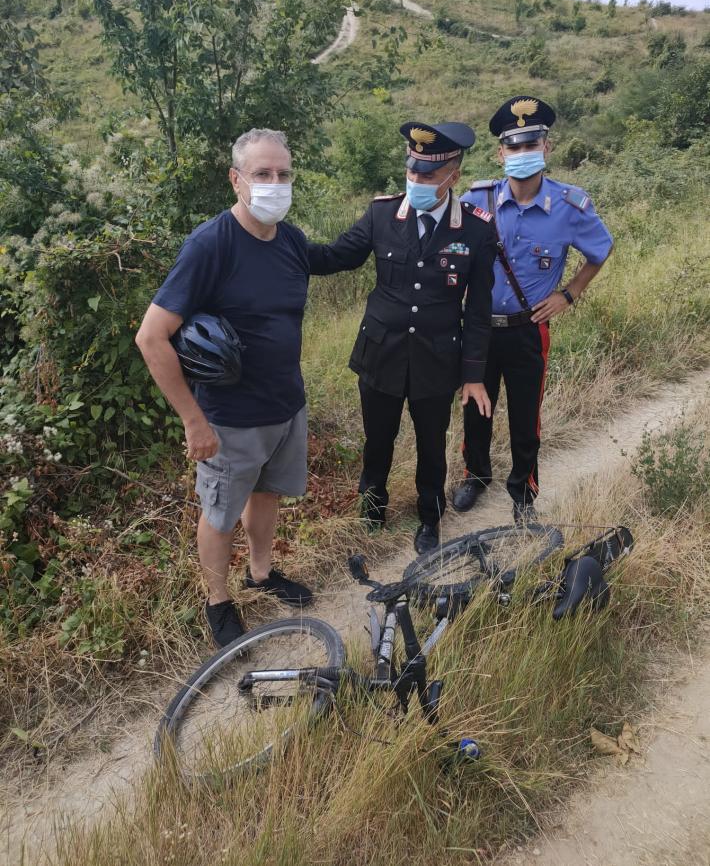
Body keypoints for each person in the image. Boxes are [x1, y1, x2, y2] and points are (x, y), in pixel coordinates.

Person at [135, 128, 313, 648]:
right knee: (220, 513)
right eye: (262, 174)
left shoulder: (290, 240)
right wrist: (194, 420)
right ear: (237, 180)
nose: (274, 183)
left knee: (267, 494)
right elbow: (151, 338)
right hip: (229, 419)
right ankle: (218, 600)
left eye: (283, 174)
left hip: (285, 405)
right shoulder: (211, 244)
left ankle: (261, 573)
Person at [308, 121, 497, 555]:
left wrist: (473, 376)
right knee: (378, 437)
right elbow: (336, 256)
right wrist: (279, 239)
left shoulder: (475, 229)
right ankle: (372, 508)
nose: (416, 181)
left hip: (436, 358)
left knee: (432, 445)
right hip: (381, 353)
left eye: (428, 175)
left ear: (454, 175)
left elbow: (479, 309)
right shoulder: (381, 215)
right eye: (412, 172)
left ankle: (429, 518)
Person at [451, 96, 613, 523]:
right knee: (475, 407)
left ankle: (524, 491)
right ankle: (476, 474)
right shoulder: (477, 200)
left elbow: (600, 251)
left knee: (526, 414)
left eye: (531, 145)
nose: (523, 155)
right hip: (479, 328)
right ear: (500, 153)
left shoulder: (570, 206)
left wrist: (569, 294)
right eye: (514, 147)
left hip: (528, 329)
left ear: (547, 148)